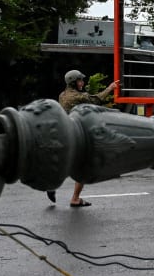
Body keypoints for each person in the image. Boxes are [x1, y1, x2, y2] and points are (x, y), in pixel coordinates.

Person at [46, 69, 119, 207]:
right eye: (80, 80)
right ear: (74, 82)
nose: (82, 82)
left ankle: (52, 183)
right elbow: (96, 100)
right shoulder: (78, 97)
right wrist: (111, 87)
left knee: (66, 163)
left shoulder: (62, 95)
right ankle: (75, 198)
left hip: (63, 133)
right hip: (77, 135)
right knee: (83, 167)